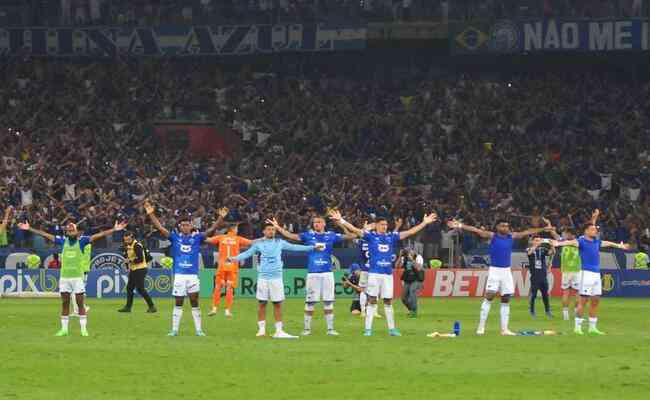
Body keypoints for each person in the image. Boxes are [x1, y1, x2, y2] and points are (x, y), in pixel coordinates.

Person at [330, 210, 438, 337]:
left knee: (388, 301)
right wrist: (341, 220)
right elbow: (354, 229)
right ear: (376, 225)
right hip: (374, 275)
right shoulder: (370, 237)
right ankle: (368, 329)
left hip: (387, 275)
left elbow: (410, 232)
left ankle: (392, 329)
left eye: (386, 225)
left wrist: (424, 223)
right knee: (372, 301)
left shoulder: (391, 237)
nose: (384, 227)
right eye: (382, 224)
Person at [18, 220, 127, 336]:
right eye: (69, 230)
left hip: (77, 278)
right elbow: (45, 235)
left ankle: (83, 329)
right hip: (64, 278)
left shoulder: (82, 241)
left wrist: (114, 230)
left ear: (77, 232)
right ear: (67, 233)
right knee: (65, 303)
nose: (70, 231)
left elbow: (98, 235)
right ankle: (64, 330)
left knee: (80, 304)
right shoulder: (63, 241)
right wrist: (29, 228)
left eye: (72, 229)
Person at [447, 219, 551, 336]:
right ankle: (481, 327)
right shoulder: (493, 236)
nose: (505, 228)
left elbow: (526, 232)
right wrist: (460, 225)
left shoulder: (511, 236)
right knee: (489, 296)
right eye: (502, 226)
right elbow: (476, 230)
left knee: (506, 299)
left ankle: (504, 329)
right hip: (495, 270)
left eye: (507, 226)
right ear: (497, 227)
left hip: (506, 271)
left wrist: (543, 229)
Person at [229, 221, 325, 339]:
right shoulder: (259, 244)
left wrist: (313, 247)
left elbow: (296, 247)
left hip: (276, 278)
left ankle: (279, 331)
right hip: (263, 278)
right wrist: (233, 259)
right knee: (262, 303)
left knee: (277, 304)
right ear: (264, 231)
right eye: (269, 229)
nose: (271, 231)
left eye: (273, 229)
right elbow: (247, 253)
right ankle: (261, 330)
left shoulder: (280, 242)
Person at [268, 215, 356, 336]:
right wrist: (278, 227)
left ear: (324, 224)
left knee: (328, 302)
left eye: (319, 222)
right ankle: (307, 329)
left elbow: (352, 236)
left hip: (327, 273)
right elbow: (291, 236)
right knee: (310, 302)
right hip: (313, 273)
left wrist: (340, 223)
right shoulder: (308, 235)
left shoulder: (331, 235)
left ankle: (330, 329)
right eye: (315, 222)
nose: (316, 224)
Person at [552, 221, 630, 335]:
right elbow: (569, 242)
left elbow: (607, 243)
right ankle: (577, 327)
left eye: (595, 229)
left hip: (596, 274)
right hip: (586, 273)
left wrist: (619, 245)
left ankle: (592, 328)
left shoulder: (597, 242)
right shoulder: (580, 241)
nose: (595, 231)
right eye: (592, 229)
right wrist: (558, 244)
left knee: (595, 300)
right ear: (586, 231)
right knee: (583, 300)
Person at [144, 200, 207, 337]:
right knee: (178, 302)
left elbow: (212, 230)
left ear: (191, 226)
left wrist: (221, 218)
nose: (185, 227)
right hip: (179, 275)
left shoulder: (196, 238)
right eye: (183, 225)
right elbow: (160, 228)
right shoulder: (175, 237)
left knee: (194, 302)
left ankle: (199, 330)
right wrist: (151, 214)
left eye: (187, 225)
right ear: (179, 227)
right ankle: (174, 330)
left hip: (192, 275)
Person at [207, 212, 252, 317]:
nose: (237, 230)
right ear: (233, 229)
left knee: (218, 287)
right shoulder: (238, 239)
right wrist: (263, 239)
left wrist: (197, 235)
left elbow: (207, 240)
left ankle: (214, 309)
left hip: (222, 266)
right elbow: (251, 242)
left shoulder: (221, 237)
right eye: (236, 228)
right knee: (229, 288)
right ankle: (227, 311)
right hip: (232, 267)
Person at [118, 231, 157, 313]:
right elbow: (127, 259)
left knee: (140, 289)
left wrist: (130, 261)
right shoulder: (128, 246)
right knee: (129, 288)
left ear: (132, 238)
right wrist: (128, 266)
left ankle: (152, 306)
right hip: (134, 269)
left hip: (140, 269)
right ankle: (128, 307)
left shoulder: (137, 246)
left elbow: (140, 259)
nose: (126, 241)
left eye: (128, 240)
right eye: (125, 240)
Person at [526, 236, 554, 318]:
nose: (538, 242)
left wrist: (552, 246)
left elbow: (551, 253)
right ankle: (532, 311)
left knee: (545, 295)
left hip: (543, 275)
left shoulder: (542, 250)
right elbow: (529, 253)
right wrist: (535, 245)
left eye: (539, 240)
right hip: (535, 276)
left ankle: (548, 311)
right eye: (536, 240)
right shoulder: (529, 249)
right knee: (533, 295)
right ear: (532, 241)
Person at [396, 248, 425, 318]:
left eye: (411, 251)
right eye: (408, 251)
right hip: (408, 279)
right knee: (403, 298)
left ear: (414, 251)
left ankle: (414, 312)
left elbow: (419, 268)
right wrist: (400, 256)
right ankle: (411, 310)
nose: (409, 252)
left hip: (417, 278)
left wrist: (412, 259)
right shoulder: (404, 258)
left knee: (412, 292)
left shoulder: (418, 257)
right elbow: (397, 266)